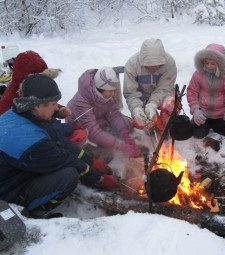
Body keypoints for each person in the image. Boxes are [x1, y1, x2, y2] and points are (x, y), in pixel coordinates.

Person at [0, 74, 120, 219]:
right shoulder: (31, 141)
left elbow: (60, 141)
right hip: (10, 190)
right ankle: (39, 209)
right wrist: (100, 180)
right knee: (69, 176)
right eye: (53, 104)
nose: (57, 108)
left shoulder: (23, 114)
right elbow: (67, 160)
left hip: (21, 169)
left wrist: (91, 161)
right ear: (37, 105)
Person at [0, 50, 87, 145]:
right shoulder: (16, 100)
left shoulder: (29, 91)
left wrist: (60, 110)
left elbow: (44, 104)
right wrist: (69, 128)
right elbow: (40, 127)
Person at [66, 66, 141, 158]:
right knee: (106, 154)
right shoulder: (81, 102)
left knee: (127, 125)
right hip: (82, 130)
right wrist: (119, 146)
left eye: (113, 90)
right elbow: (93, 132)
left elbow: (113, 113)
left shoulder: (104, 94)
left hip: (99, 120)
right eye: (110, 91)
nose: (113, 94)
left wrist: (125, 135)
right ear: (100, 88)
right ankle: (88, 150)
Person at [123, 38, 177, 135]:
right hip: (142, 97)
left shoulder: (169, 63)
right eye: (149, 65)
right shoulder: (132, 65)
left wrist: (152, 104)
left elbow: (164, 89)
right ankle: (153, 128)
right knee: (139, 121)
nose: (153, 68)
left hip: (163, 95)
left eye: (157, 65)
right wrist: (136, 109)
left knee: (171, 107)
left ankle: (166, 128)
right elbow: (131, 93)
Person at [187, 43, 225, 139]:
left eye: (212, 64)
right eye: (206, 63)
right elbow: (192, 92)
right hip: (202, 113)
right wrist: (195, 109)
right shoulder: (198, 74)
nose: (209, 66)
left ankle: (215, 124)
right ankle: (201, 123)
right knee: (197, 134)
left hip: (220, 114)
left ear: (220, 63)